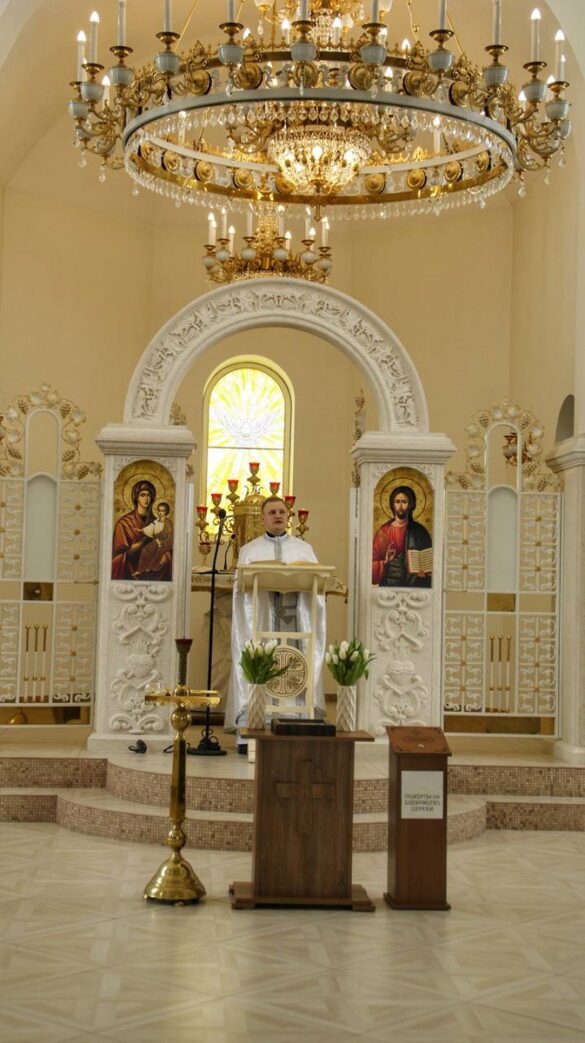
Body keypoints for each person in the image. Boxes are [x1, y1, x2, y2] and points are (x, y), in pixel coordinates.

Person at [225, 496, 326, 752]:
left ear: (288, 516)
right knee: (261, 664)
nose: (278, 515)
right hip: (262, 625)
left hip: (294, 627)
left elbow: (317, 588)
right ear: (263, 518)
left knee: (294, 665)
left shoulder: (304, 550)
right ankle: (254, 727)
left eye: (282, 511)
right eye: (272, 512)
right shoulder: (250, 551)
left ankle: (298, 722)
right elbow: (240, 593)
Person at [372, 485, 432, 587]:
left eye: (404, 502)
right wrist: (385, 562)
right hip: (389, 588)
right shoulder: (383, 532)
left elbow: (430, 561)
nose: (400, 506)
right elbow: (370, 565)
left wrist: (425, 572)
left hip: (414, 587)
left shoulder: (420, 532)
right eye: (397, 502)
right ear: (393, 505)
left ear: (410, 505)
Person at [111, 480, 157, 580]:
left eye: (149, 495)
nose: (146, 499)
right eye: (142, 495)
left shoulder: (158, 523)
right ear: (136, 497)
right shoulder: (123, 523)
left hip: (153, 572)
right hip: (129, 572)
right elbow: (115, 557)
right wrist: (133, 549)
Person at [135, 501, 173, 581]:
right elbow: (148, 529)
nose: (160, 513)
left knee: (158, 552)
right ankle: (140, 569)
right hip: (155, 542)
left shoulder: (168, 523)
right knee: (145, 550)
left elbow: (170, 538)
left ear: (166, 512)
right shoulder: (155, 522)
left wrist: (162, 542)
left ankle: (151, 567)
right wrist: (140, 530)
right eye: (159, 510)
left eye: (162, 511)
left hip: (165, 544)